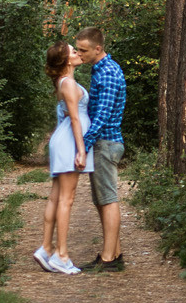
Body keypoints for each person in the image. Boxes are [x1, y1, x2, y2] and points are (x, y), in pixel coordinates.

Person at [74, 26, 127, 271]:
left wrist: (83, 146)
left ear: (98, 48)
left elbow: (102, 116)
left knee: (107, 200)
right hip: (105, 143)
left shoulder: (106, 73)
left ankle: (109, 260)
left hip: (105, 143)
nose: (80, 54)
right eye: (78, 49)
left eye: (83, 50)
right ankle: (113, 253)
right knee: (102, 199)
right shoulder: (102, 69)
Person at [36, 41, 89, 274]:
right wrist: (81, 149)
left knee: (56, 198)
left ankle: (46, 248)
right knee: (66, 199)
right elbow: (75, 119)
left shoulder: (64, 82)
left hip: (63, 139)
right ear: (67, 60)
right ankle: (62, 255)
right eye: (73, 51)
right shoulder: (67, 83)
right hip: (69, 142)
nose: (77, 53)